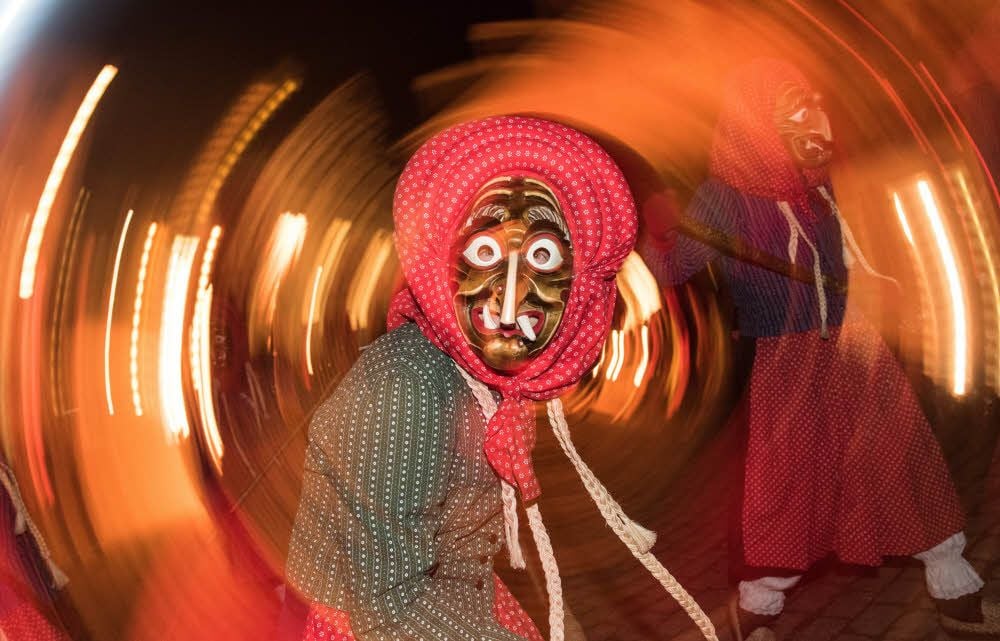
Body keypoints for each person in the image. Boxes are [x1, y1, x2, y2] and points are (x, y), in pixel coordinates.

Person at [285, 116, 716, 641]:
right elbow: (388, 607)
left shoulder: (488, 379)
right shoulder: (405, 389)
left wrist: (562, 619)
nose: (511, 299)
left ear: (578, 283)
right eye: (484, 253)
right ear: (445, 265)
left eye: (542, 256)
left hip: (457, 586)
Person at [638, 59, 998, 640]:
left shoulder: (813, 182)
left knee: (903, 464)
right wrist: (652, 232)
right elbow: (675, 268)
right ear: (759, 121)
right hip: (788, 360)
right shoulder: (722, 199)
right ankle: (755, 610)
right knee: (789, 489)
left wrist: (873, 281)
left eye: (815, 103)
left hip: (856, 349)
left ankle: (957, 595)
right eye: (798, 107)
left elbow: (837, 255)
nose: (819, 118)